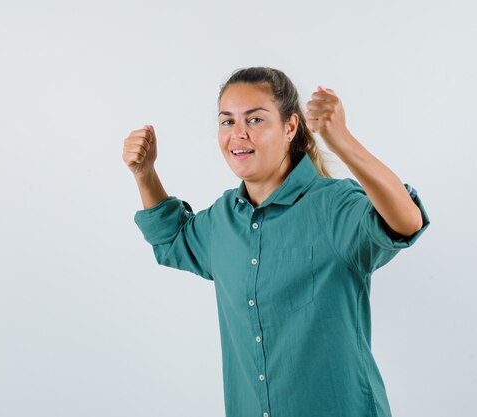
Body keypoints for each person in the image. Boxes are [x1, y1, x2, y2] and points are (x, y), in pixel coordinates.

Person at [122, 66, 430, 417]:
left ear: (290, 127)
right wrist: (145, 175)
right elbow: (174, 237)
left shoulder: (333, 206)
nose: (238, 134)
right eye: (227, 121)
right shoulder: (224, 219)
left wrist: (340, 138)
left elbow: (406, 221)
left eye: (254, 120)